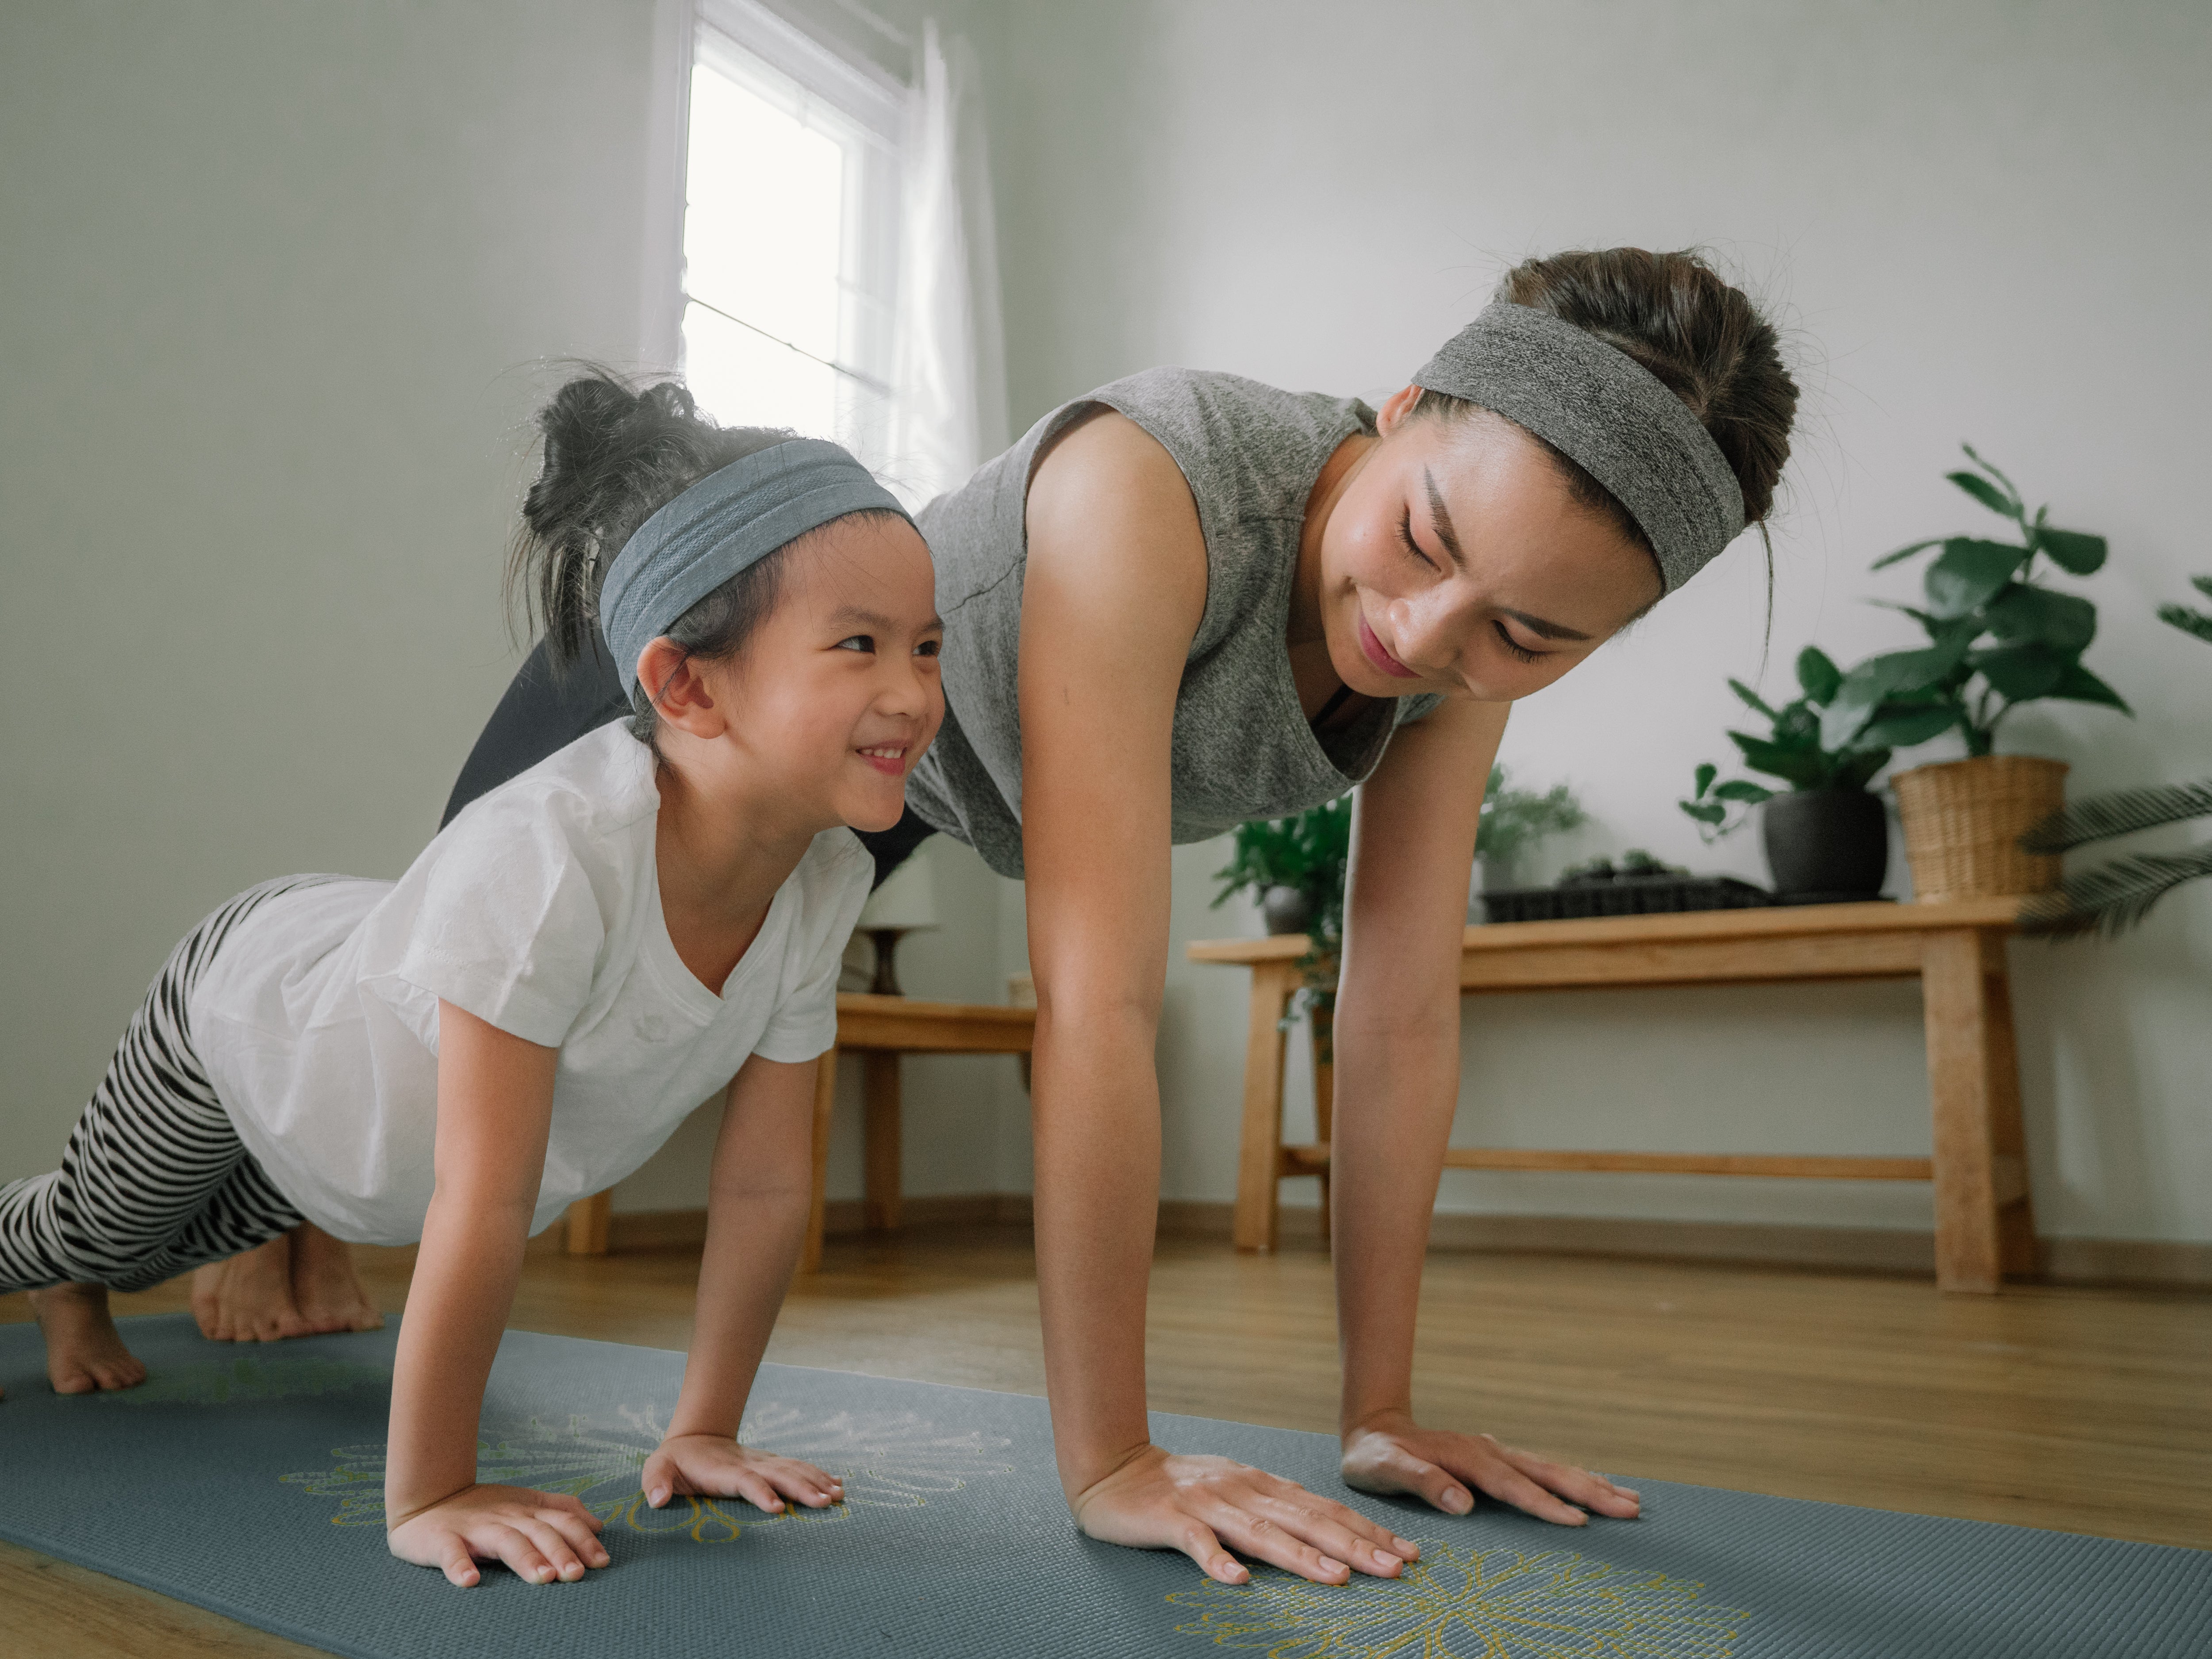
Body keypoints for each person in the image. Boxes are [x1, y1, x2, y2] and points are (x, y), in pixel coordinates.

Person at [232, 246, 1802, 1589]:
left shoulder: (1452, 654)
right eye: (1422, 542)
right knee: (418, 1011)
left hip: (903, 788)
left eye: (1529, 636)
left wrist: (1376, 1411)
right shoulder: (1159, 485)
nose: (1423, 636)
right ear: (1399, 415)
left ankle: (317, 1229)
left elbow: (1397, 1008)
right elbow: (1100, 1001)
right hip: (744, 700)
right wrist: (1110, 1458)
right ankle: (275, 1205)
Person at [0, 385, 947, 1590]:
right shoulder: (555, 857)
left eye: (928, 647)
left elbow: (763, 1183)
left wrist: (703, 1427)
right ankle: (65, 1272)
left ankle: (80, 1282)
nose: (915, 693)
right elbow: (483, 1199)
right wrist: (434, 1488)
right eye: (860, 645)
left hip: (351, 1145)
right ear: (687, 687)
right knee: (101, 1225)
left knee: (184, 1233)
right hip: (246, 1015)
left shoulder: (820, 881)